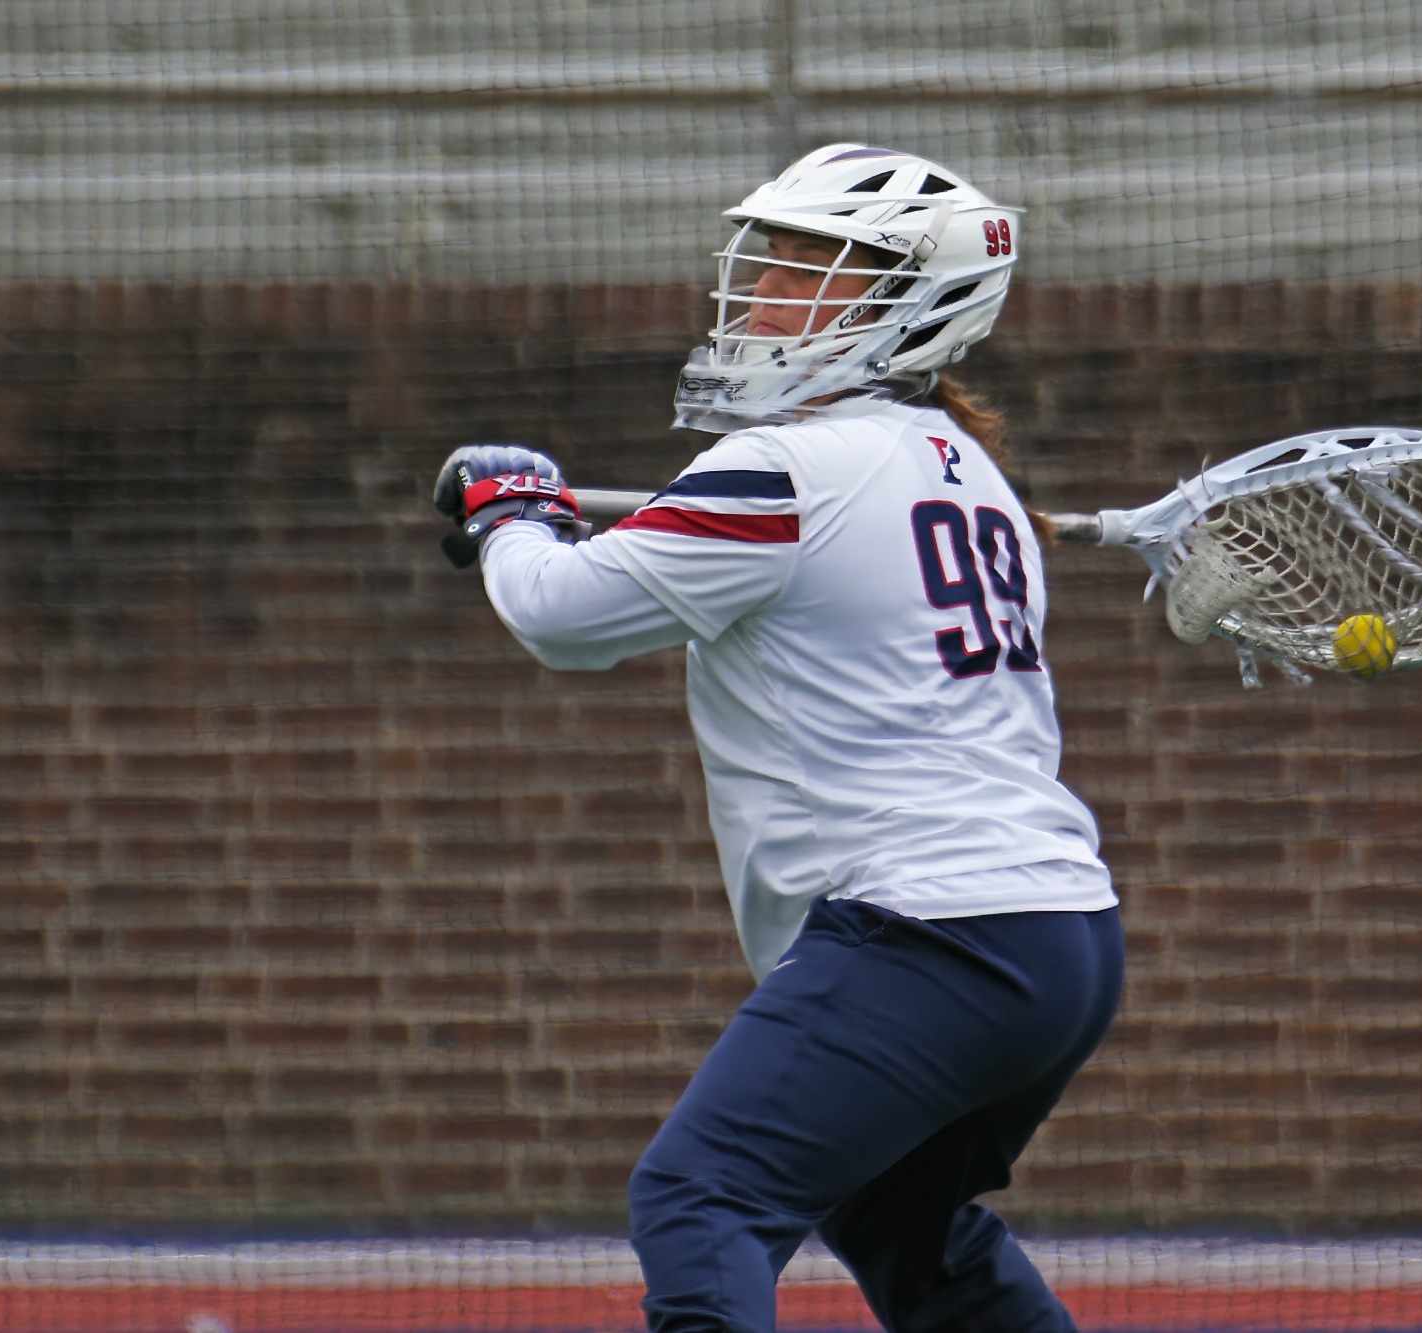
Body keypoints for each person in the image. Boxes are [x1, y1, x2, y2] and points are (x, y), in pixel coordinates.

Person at [433, 143, 1123, 1333]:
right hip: (1058, 939)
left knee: (700, 1194)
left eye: (807, 272)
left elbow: (563, 615)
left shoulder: (781, 469)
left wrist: (509, 514)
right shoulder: (970, 479)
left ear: (910, 305)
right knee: (909, 1230)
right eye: (764, 264)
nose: (757, 298)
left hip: (930, 932)